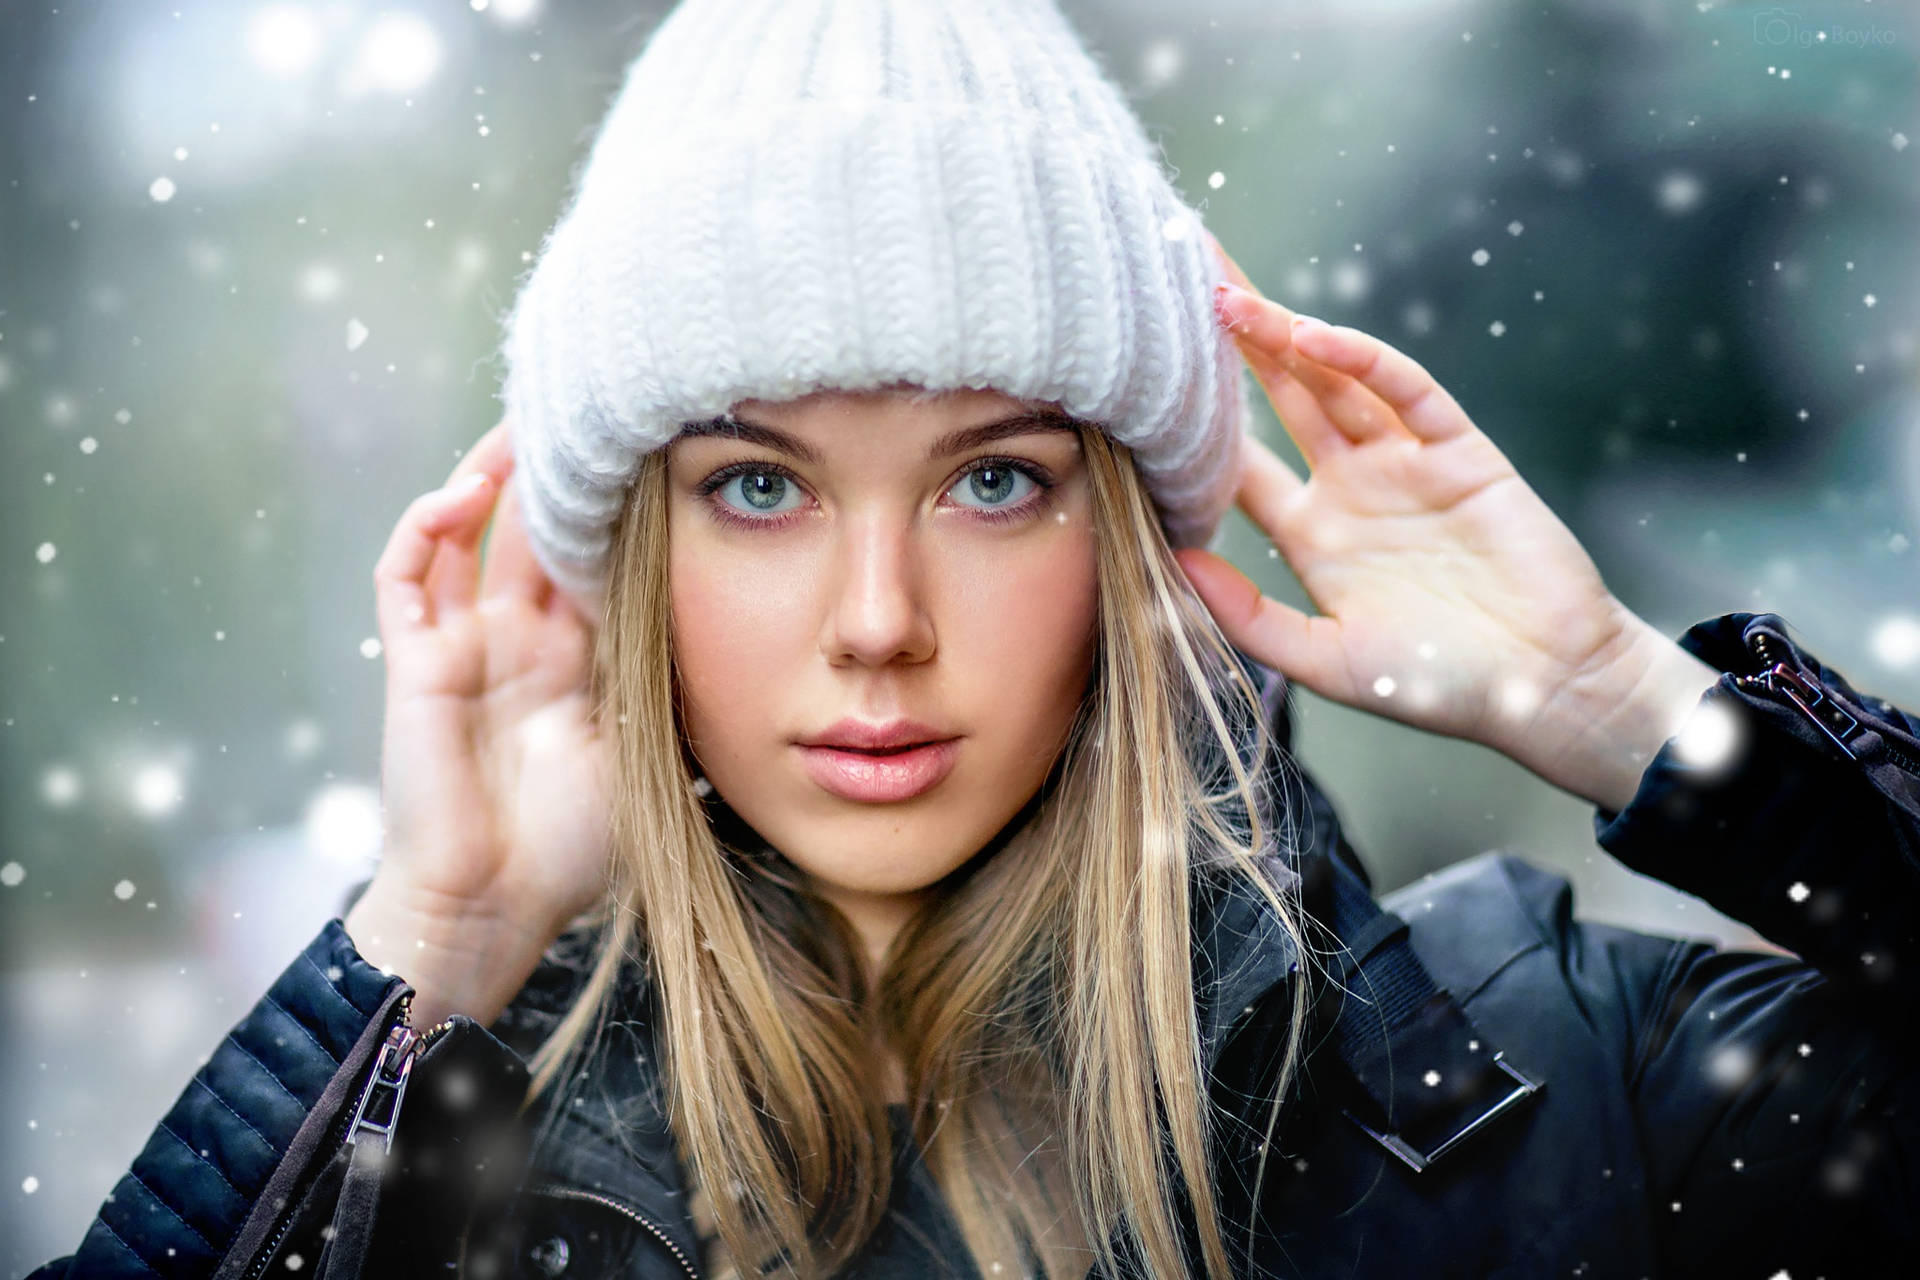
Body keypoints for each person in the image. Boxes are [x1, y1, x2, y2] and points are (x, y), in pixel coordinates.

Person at [29, 0, 1920, 1277]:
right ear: (628, 561)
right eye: (760, 489)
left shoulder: (1558, 1096)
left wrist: (1630, 710)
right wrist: (427, 950)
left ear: (1124, 541)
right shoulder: (441, 1199)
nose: (877, 627)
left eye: (993, 482)